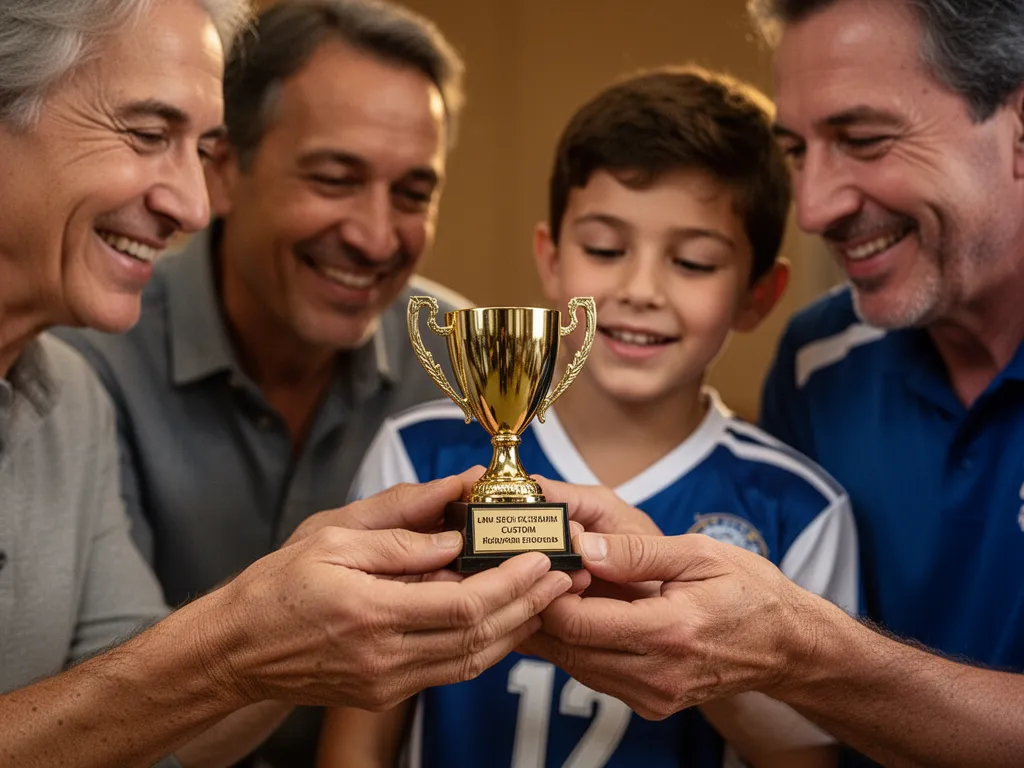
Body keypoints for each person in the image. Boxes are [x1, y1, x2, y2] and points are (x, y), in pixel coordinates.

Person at [0, 1, 573, 765]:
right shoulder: (102, 350)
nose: (189, 206)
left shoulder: (66, 394)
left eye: (412, 193)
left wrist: (281, 641)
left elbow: (134, 727)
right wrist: (247, 642)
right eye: (146, 136)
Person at [520, 0, 1024, 766]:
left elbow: (783, 654)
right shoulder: (819, 357)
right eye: (796, 149)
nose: (814, 206)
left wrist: (799, 650)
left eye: (863, 139)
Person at [317, 66, 859, 768]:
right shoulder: (419, 456)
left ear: (759, 293)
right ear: (551, 258)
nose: (638, 290)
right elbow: (358, 734)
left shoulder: (799, 510)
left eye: (693, 262)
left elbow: (802, 758)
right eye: (605, 250)